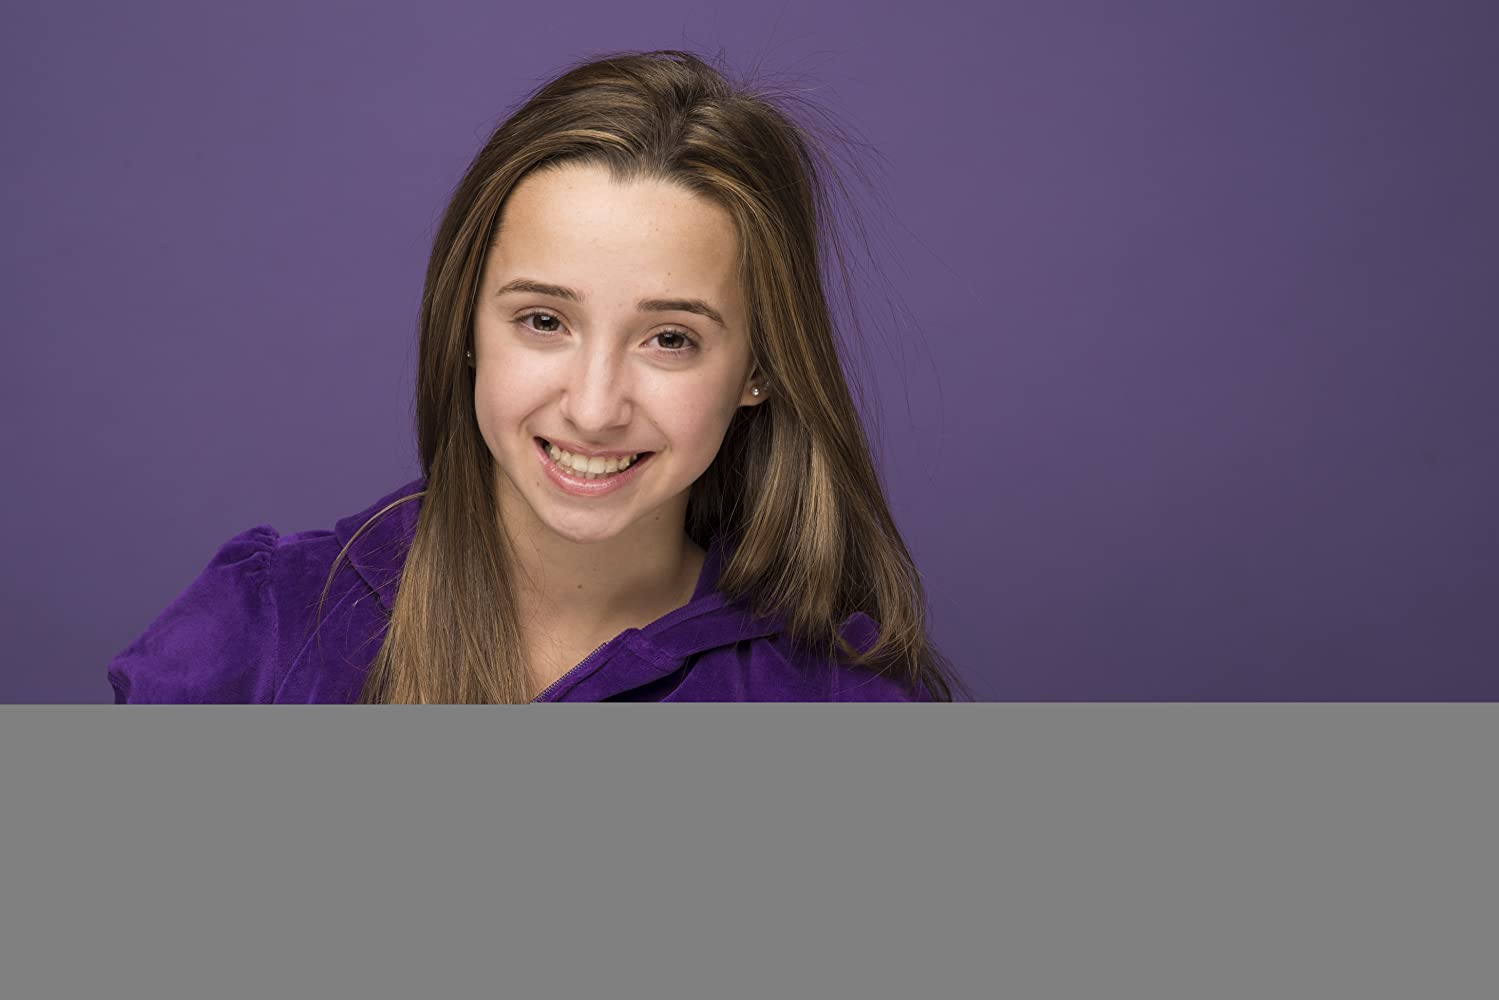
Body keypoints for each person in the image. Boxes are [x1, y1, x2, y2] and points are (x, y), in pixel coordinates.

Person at [107, 48, 974, 703]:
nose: (593, 409)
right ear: (466, 327)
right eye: (544, 322)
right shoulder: (260, 631)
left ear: (760, 368)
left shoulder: (836, 700)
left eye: (670, 339)